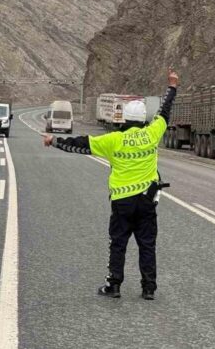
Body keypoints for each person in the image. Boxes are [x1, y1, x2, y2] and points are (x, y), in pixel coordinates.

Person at [43, 68, 178, 300]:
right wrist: (172, 86)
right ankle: (148, 289)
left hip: (122, 202)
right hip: (147, 200)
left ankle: (113, 285)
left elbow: (81, 144)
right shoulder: (153, 133)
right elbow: (165, 112)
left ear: (124, 119)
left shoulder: (113, 140)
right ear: (144, 119)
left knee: (118, 243)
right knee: (147, 245)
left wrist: (54, 140)